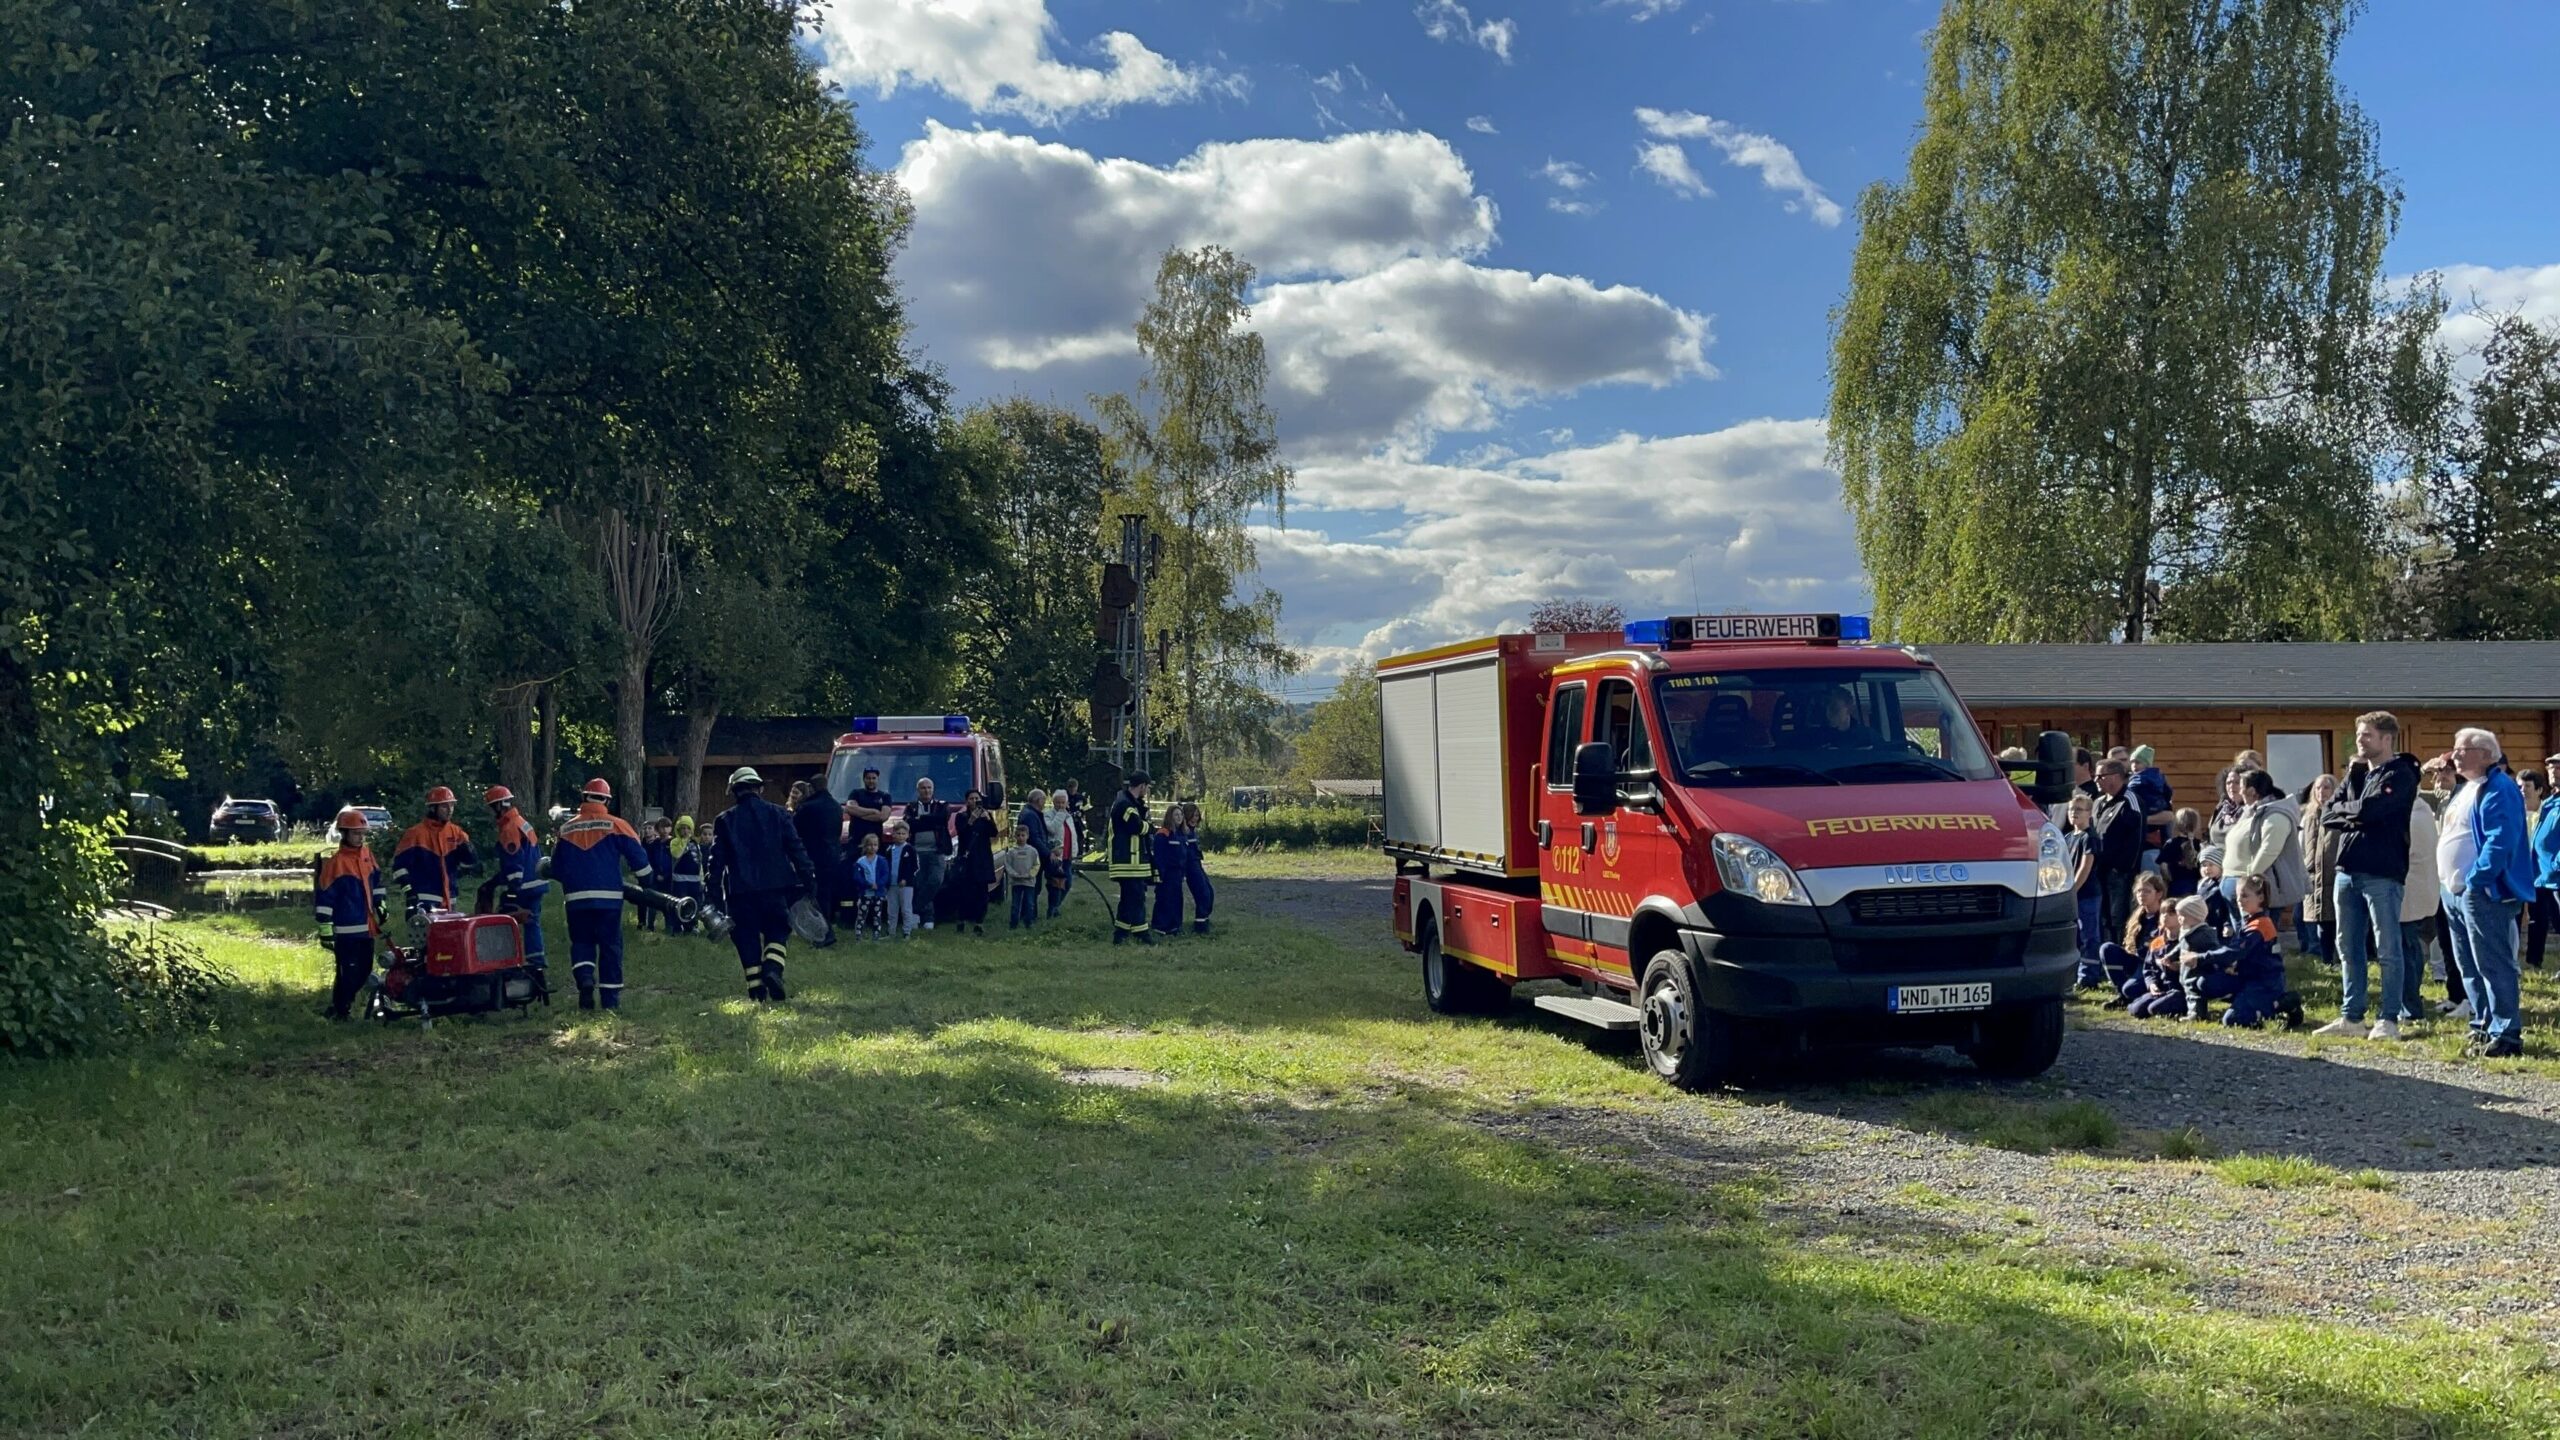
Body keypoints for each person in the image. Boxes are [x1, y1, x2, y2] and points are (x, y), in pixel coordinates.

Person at [2315, 712, 2421, 1039]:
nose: (2360, 741)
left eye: (2367, 736)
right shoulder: (2358, 773)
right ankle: (2352, 1016)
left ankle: (2388, 1018)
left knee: (2388, 948)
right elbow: (2326, 813)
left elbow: (2371, 810)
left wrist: (2353, 812)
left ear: (2387, 738)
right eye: (2359, 735)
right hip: (2347, 871)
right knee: (2348, 946)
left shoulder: (2402, 773)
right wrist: (2355, 813)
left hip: (2383, 873)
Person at [2443, 728, 2533, 1057]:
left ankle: (2506, 1033)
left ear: (2485, 754)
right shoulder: (2468, 788)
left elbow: (2500, 839)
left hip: (2482, 891)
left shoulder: (2500, 787)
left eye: (2462, 749)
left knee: (2493, 963)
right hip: (2454, 891)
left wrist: (2476, 879)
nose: (2454, 754)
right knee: (2468, 964)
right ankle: (2482, 1024)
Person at [706, 767, 814, 1002]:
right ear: (760, 788)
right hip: (776, 890)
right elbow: (797, 850)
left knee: (745, 937)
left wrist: (712, 896)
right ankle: (773, 969)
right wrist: (809, 882)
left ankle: (756, 990)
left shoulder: (725, 820)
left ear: (734, 791)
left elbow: (716, 863)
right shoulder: (779, 814)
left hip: (740, 892)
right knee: (778, 929)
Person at [549, 778, 649, 1010]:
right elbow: (639, 859)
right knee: (610, 946)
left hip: (575, 900)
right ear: (607, 800)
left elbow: (556, 868)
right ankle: (610, 1002)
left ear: (584, 797)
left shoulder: (566, 829)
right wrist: (648, 883)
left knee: (582, 942)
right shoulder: (616, 825)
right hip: (609, 899)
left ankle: (585, 979)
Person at [2182, 878, 2299, 1029]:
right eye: (2237, 896)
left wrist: (2200, 958)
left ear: (2260, 898)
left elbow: (2234, 952)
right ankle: (2243, 1001)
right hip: (2246, 977)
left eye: (2245, 896)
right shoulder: (2249, 921)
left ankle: (2282, 1003)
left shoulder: (2261, 925)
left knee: (2232, 1020)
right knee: (2204, 983)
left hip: (2265, 982)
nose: (2239, 900)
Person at [312, 807, 383, 1021]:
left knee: (364, 970)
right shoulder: (336, 863)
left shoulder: (367, 856)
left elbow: (377, 883)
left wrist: (381, 904)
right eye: (355, 833)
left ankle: (339, 1007)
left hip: (367, 927)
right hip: (345, 930)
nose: (360, 837)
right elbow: (325, 898)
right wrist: (325, 928)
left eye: (362, 833)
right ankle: (341, 1010)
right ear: (343, 833)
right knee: (348, 973)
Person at [483, 785, 549, 976]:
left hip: (523, 887)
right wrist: (495, 881)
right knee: (532, 922)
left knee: (501, 921)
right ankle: (537, 963)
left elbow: (514, 862)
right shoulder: (520, 821)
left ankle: (503, 962)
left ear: (498, 806)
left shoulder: (508, 828)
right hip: (536, 882)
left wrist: (511, 891)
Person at [393, 784, 479, 918]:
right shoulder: (415, 834)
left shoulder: (456, 832)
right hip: (423, 900)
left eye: (452, 806)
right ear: (433, 808)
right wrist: (410, 893)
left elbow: (471, 864)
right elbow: (399, 869)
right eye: (445, 806)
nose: (450, 810)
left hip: (450, 900)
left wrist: (469, 853)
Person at [2089, 758, 2145, 951]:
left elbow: (2136, 838)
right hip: (2098, 870)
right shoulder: (2098, 802)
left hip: (2119, 873)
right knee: (2102, 915)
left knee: (2118, 916)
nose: (2096, 780)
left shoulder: (2130, 800)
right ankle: (2106, 952)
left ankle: (2122, 953)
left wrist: (2123, 868)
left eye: (2100, 776)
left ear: (2115, 777)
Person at [2399, 792, 2441, 1028]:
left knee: (2407, 950)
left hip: (2409, 892)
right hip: (2421, 891)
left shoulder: (2413, 817)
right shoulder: (2423, 810)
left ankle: (2411, 1008)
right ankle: (2411, 1002)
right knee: (2412, 948)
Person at [2095, 872, 2169, 995]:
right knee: (2107, 948)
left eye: (2147, 891)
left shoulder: (2164, 916)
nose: (2141, 895)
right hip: (2137, 960)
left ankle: (2133, 991)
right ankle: (2121, 993)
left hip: (2153, 965)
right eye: (2139, 891)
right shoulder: (2138, 916)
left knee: (2130, 990)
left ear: (2159, 894)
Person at [789, 780, 843, 947]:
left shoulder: (808, 807)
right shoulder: (836, 806)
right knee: (825, 895)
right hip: (833, 856)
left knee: (813, 896)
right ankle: (826, 931)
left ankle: (823, 933)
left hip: (813, 857)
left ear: (811, 788)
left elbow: (794, 831)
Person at [1108, 773, 1156, 945]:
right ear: (1142, 786)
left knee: (1129, 899)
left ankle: (1121, 933)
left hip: (1132, 863)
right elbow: (1136, 826)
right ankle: (1141, 934)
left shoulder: (1129, 803)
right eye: (1148, 787)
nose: (1147, 791)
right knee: (1135, 898)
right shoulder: (1125, 805)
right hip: (1127, 862)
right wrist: (1150, 827)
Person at [2297, 774, 2341, 963]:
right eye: (2318, 788)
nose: (2321, 792)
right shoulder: (2308, 816)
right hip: (2313, 875)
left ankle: (2338, 958)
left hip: (2334, 873)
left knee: (2336, 919)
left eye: (2326, 788)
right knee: (2320, 919)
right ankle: (2325, 960)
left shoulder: (2340, 812)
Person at [2121, 902, 2190, 1019]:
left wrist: (2176, 967)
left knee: (2153, 1009)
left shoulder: (2187, 941)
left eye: (2171, 913)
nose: (2165, 916)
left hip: (2180, 989)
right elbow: (2148, 967)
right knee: (2135, 1009)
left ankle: (2180, 1007)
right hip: (2162, 988)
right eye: (2163, 912)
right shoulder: (2157, 942)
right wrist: (2151, 984)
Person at [945, 789, 999, 934]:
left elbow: (994, 833)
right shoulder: (961, 816)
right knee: (964, 892)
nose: (974, 801)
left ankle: (979, 922)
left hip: (982, 858)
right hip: (967, 858)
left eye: (977, 799)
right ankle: (961, 920)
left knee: (982, 892)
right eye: (971, 799)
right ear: (966, 801)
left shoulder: (985, 816)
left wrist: (988, 819)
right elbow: (962, 833)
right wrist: (971, 820)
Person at [908, 778, 953, 932]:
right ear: (918, 790)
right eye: (923, 788)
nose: (926, 791)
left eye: (929, 788)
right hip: (917, 852)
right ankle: (927, 918)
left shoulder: (942, 805)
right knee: (920, 884)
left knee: (935, 881)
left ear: (933, 789)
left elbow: (941, 820)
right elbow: (910, 825)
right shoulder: (911, 807)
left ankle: (913, 910)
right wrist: (925, 821)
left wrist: (921, 819)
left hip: (936, 851)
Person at [2529, 754, 2560, 972]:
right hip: (2541, 876)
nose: (2552, 771)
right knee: (2540, 922)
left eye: (2558, 767)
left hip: (2556, 875)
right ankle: (2534, 962)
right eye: (2550, 767)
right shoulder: (2549, 802)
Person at [2063, 795, 2099, 968]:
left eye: (2079, 809)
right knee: (2074, 935)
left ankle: (2089, 973)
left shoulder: (2089, 837)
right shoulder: (2068, 837)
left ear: (2089, 813)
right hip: (2071, 894)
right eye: (2071, 809)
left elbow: (2085, 867)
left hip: (2087, 894)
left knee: (2088, 934)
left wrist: (2073, 890)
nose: (2073, 813)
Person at [1151, 804, 1194, 938]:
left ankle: (1175, 926)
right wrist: (1161, 873)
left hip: (1178, 874)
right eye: (1176, 815)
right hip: (1166, 873)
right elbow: (1159, 856)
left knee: (1177, 900)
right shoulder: (1163, 834)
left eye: (1181, 815)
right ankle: (1160, 926)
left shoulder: (1182, 835)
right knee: (1164, 899)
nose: (1179, 817)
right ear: (1170, 816)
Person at [996, 823, 1044, 929]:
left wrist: (1030, 874)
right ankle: (1013, 924)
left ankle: (1029, 923)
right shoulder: (1012, 852)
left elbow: (1037, 864)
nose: (1021, 838)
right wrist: (1014, 874)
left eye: (1023, 835)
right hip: (1016, 882)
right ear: (1015, 836)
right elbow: (1007, 865)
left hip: (1029, 882)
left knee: (1029, 904)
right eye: (1018, 835)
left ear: (1027, 836)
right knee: (1015, 905)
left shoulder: (1032, 851)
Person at [1177, 801, 1215, 935]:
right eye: (1192, 815)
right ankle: (1200, 926)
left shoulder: (1192, 831)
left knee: (1209, 892)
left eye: (1197, 815)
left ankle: (1204, 919)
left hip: (1196, 863)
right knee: (1203, 893)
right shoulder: (1182, 832)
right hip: (1189, 866)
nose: (1195, 818)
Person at [881, 821, 919, 937]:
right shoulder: (889, 850)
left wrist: (906, 879)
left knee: (906, 909)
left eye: (903, 834)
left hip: (906, 885)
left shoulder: (910, 849)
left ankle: (906, 931)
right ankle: (891, 931)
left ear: (908, 835)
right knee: (892, 909)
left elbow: (915, 867)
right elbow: (885, 866)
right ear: (893, 834)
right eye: (898, 833)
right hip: (891, 884)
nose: (901, 836)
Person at [668, 815, 705, 935]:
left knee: (694, 903)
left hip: (694, 880)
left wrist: (702, 879)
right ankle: (677, 927)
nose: (685, 831)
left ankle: (691, 926)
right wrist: (683, 841)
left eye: (688, 828)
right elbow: (676, 854)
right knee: (680, 903)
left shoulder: (695, 843)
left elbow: (699, 861)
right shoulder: (675, 842)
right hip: (680, 880)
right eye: (682, 828)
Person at [850, 831, 889, 940]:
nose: (872, 847)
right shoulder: (860, 862)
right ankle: (858, 935)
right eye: (870, 845)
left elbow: (885, 875)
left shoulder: (882, 861)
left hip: (878, 893)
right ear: (865, 846)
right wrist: (868, 885)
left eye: (875, 845)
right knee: (862, 914)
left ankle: (876, 934)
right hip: (865, 893)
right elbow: (857, 877)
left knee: (877, 914)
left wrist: (879, 884)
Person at [1046, 788, 1078, 919]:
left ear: (1067, 803)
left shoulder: (1069, 816)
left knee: (1068, 883)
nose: (1060, 805)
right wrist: (1060, 814)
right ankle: (1052, 910)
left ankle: (1055, 907)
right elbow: (1052, 829)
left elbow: (1072, 835)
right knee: (1056, 885)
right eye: (1058, 802)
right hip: (1056, 856)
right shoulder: (1048, 815)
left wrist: (1075, 852)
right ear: (1053, 802)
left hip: (1068, 856)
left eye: (1063, 803)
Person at [2157, 808, 2203, 899]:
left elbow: (2163, 866)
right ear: (2196, 825)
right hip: (2196, 884)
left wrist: (2168, 879)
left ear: (2177, 824)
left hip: (2176, 884)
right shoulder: (2200, 844)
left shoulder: (2171, 843)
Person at [640, 818, 675, 932]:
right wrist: (655, 874)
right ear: (657, 830)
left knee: (668, 903)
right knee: (652, 902)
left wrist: (666, 875)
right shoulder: (654, 844)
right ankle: (650, 926)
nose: (664, 830)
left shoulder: (673, 842)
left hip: (668, 878)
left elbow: (674, 862)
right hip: (655, 877)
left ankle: (669, 926)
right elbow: (650, 860)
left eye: (667, 827)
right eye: (662, 827)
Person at [845, 767, 893, 852]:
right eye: (868, 778)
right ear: (864, 779)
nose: (871, 781)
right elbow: (850, 809)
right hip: (855, 840)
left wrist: (859, 814)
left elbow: (882, 816)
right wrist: (873, 811)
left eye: (874, 778)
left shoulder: (885, 796)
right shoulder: (855, 793)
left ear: (878, 779)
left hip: (875, 842)